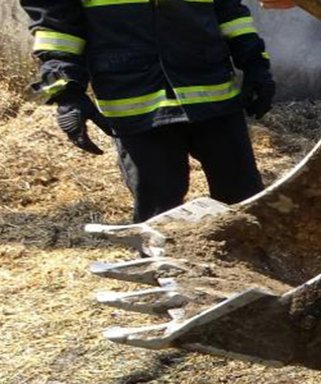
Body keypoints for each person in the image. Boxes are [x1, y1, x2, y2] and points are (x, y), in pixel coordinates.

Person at [23, 0, 274, 223]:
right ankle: (165, 272)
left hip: (214, 95)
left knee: (247, 206)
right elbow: (56, 28)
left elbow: (229, 11)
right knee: (159, 218)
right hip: (137, 101)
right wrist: (68, 93)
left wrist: (255, 64)